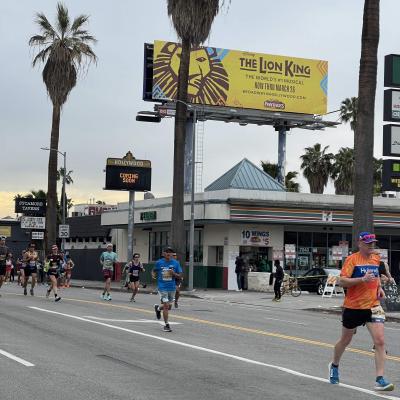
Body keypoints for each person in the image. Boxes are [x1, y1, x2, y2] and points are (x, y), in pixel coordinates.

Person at [329, 232, 394, 391]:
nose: (372, 245)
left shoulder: (376, 258)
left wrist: (379, 288)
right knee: (345, 340)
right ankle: (334, 365)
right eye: (368, 243)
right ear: (360, 244)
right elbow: (342, 281)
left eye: (373, 243)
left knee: (379, 341)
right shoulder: (352, 260)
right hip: (353, 307)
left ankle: (380, 379)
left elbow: (377, 276)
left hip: (373, 306)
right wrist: (362, 280)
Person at [153, 247, 183, 332]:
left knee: (169, 306)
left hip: (172, 287)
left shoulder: (176, 263)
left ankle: (158, 308)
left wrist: (174, 274)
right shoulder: (159, 262)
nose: (169, 254)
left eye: (170, 252)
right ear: (163, 254)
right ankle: (166, 325)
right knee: (166, 306)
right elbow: (154, 270)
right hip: (162, 287)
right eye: (167, 252)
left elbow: (180, 275)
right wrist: (153, 275)